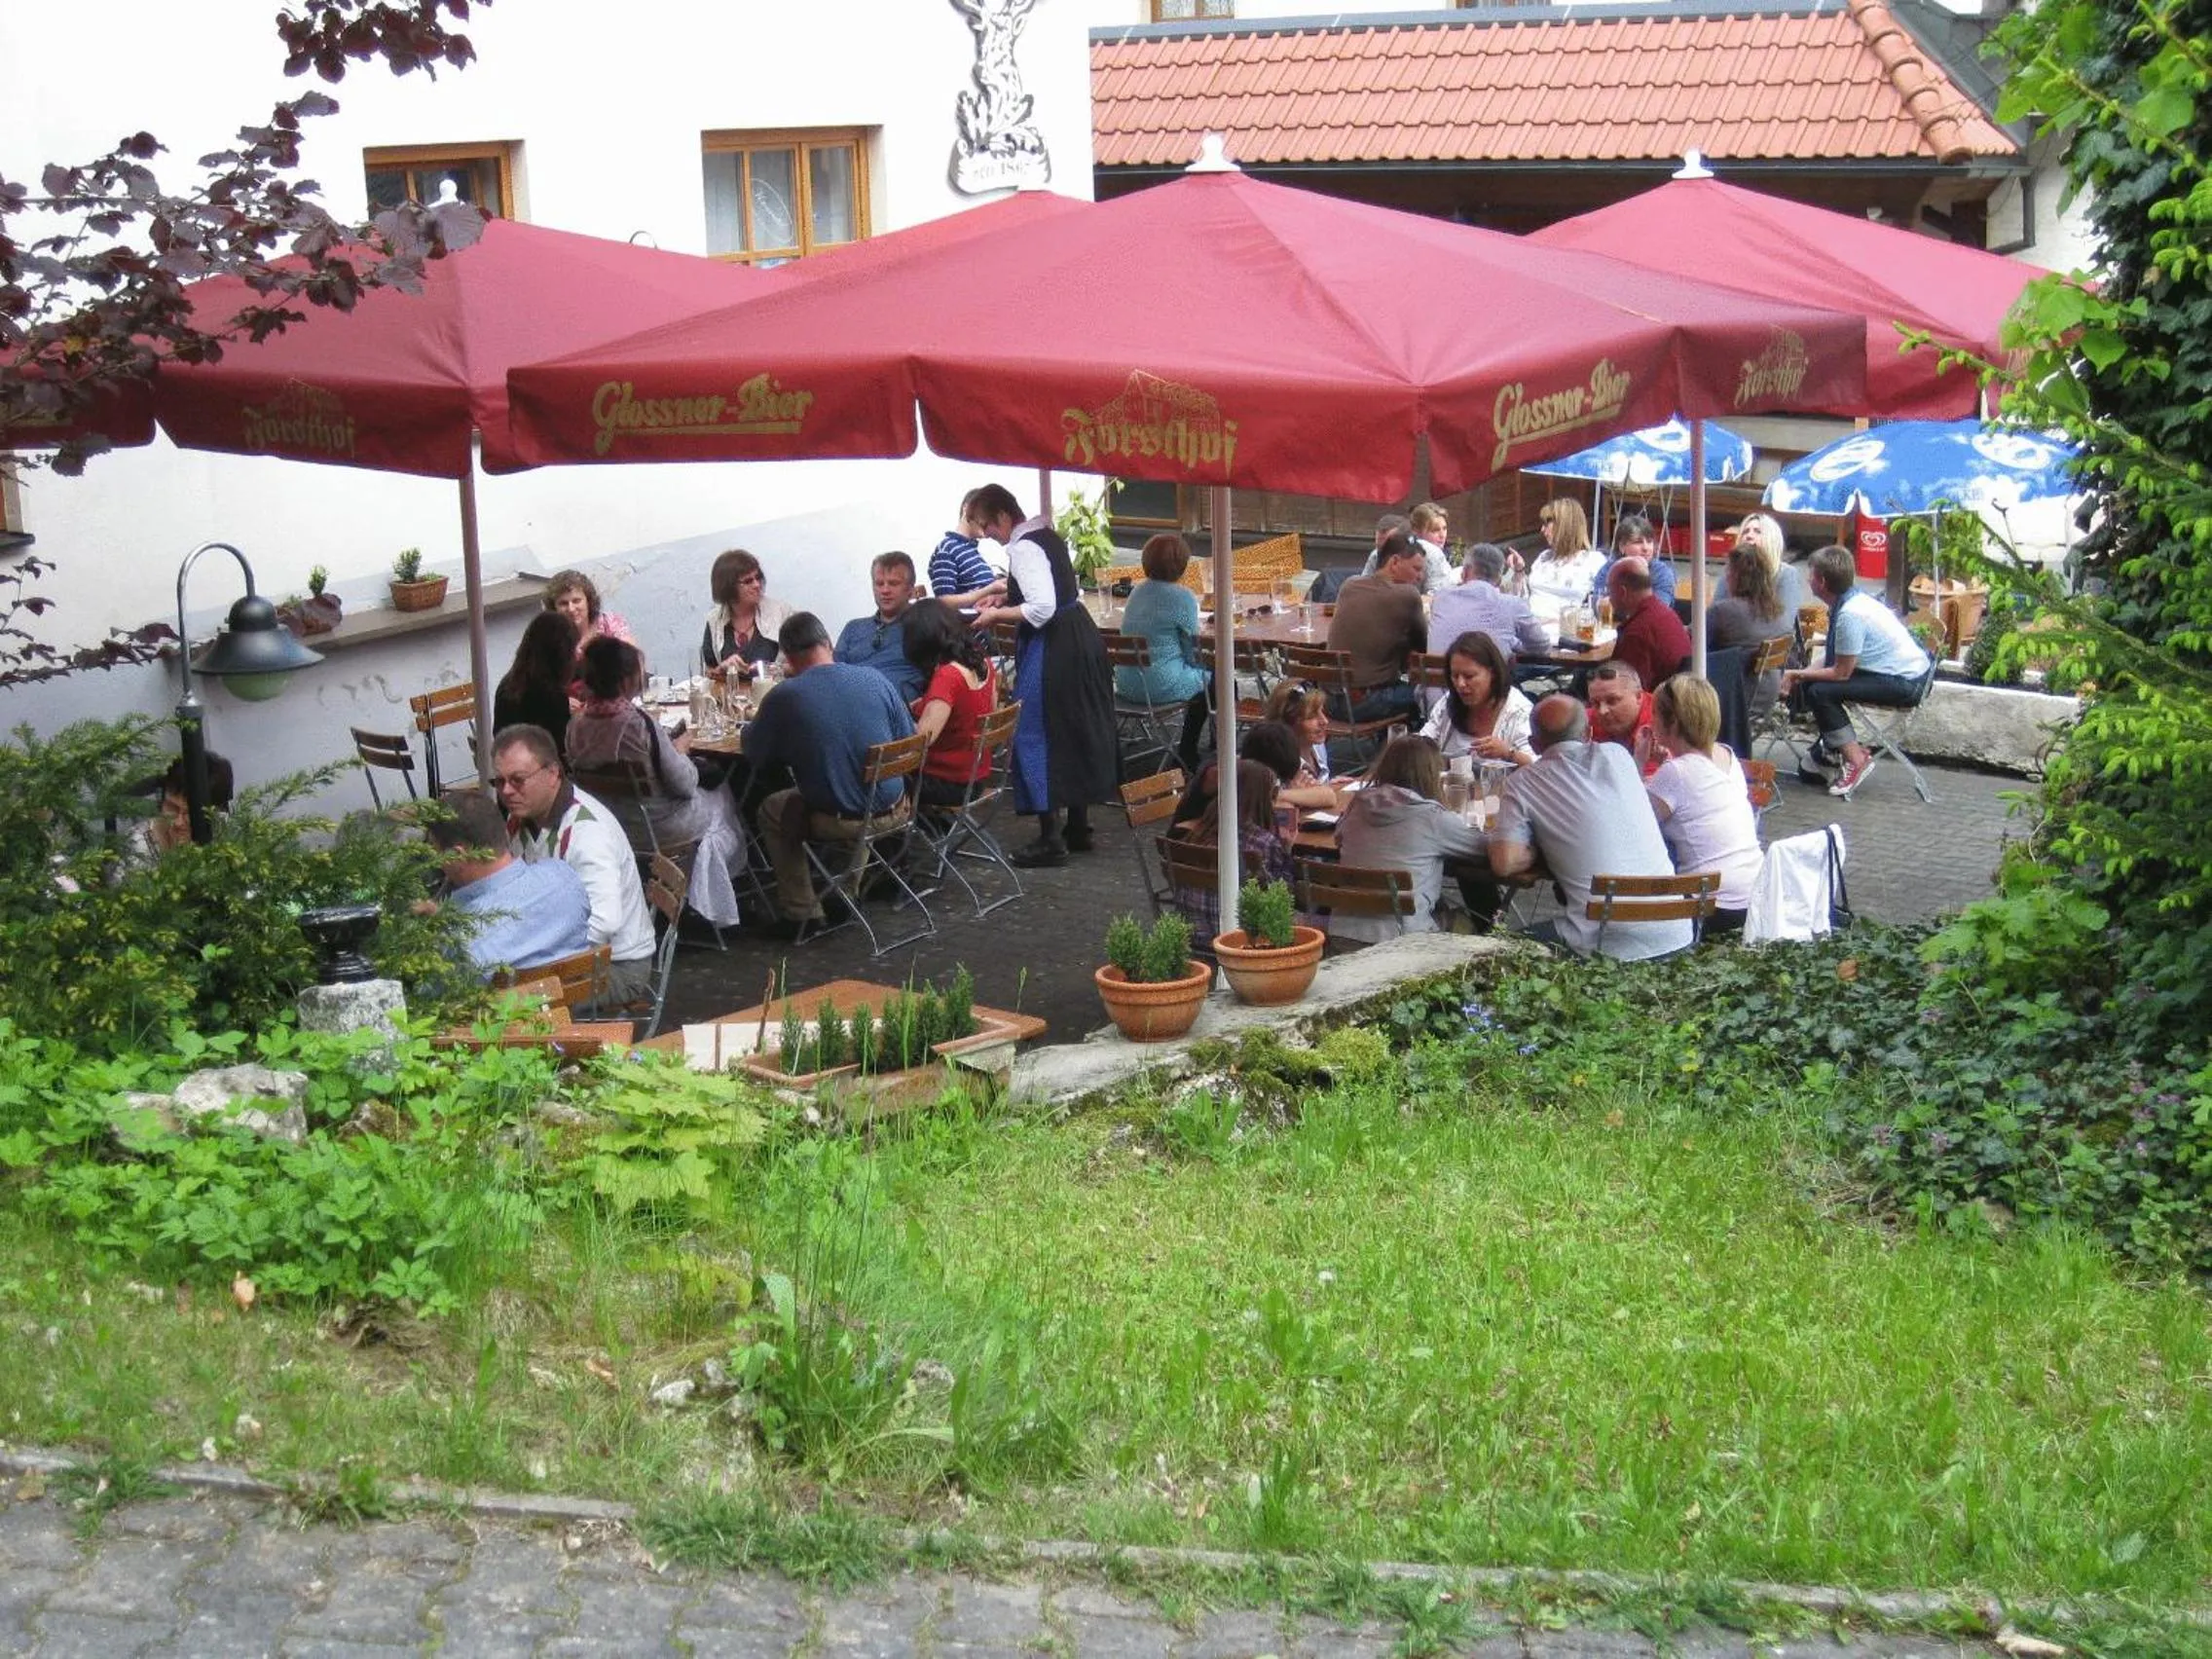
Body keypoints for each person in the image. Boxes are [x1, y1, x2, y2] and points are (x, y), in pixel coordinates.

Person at [968, 482, 1119, 867]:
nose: (987, 535)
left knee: (1035, 732)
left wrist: (996, 615)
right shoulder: (1045, 535)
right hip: (1078, 636)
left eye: (988, 526)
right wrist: (1006, 597)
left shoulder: (1022, 547)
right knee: (1074, 726)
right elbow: (1047, 589)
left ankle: (1051, 837)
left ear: (1004, 516)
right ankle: (1079, 826)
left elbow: (1041, 608)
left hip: (1052, 646)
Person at [741, 611, 916, 927]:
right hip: (896, 806)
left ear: (789, 659)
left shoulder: (786, 696)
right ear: (828, 643)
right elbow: (908, 738)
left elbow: (755, 753)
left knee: (773, 809)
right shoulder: (875, 678)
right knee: (855, 783)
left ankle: (801, 912)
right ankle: (846, 891)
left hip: (845, 817)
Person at [1490, 696, 1693, 960]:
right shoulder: (1619, 756)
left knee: (1501, 951)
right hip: (1677, 932)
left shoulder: (1522, 782)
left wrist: (1546, 847)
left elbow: (1503, 863)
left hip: (1606, 942)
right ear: (1588, 733)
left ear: (1534, 744)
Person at [493, 723, 657, 1003]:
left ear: (553, 773)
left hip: (616, 968)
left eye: (518, 779)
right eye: (499, 781)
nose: (506, 791)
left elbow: (603, 924)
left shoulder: (588, 833)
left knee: (512, 1006)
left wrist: (535, 959)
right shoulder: (521, 817)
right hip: (566, 957)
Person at [1781, 543, 1933, 796]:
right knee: (1813, 683)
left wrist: (1795, 675)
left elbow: (1840, 673)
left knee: (1820, 692)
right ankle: (1829, 750)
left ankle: (1855, 759)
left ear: (1822, 582)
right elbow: (1835, 661)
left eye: (1811, 575)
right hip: (1905, 672)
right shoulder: (1853, 601)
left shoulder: (1850, 615)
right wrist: (1801, 674)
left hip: (1906, 683)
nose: (1808, 580)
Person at [563, 636, 714, 861]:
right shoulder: (639, 725)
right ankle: (718, 883)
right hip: (660, 829)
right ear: (625, 682)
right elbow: (685, 784)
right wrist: (680, 751)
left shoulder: (576, 726)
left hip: (609, 827)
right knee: (722, 794)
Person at [1334, 734, 1488, 943]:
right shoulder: (1434, 818)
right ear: (1433, 773)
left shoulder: (1357, 805)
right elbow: (1485, 848)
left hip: (1342, 936)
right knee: (1470, 926)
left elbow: (1339, 838)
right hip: (1404, 942)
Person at [424, 788, 592, 977]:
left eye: (436, 852)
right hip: (570, 1004)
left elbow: (426, 997)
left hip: (502, 1006)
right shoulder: (564, 878)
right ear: (503, 830)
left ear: (457, 855)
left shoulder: (457, 943)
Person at [1642, 675, 1762, 936]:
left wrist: (1638, 763)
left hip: (1712, 905)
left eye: (1654, 714)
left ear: (1671, 721)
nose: (1650, 721)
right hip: (1755, 894)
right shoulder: (1727, 754)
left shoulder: (1676, 772)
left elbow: (1635, 827)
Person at [1165, 757, 1299, 944]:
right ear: (1264, 797)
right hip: (1240, 938)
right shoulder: (1264, 843)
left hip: (1192, 934)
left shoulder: (1195, 833)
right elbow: (1284, 896)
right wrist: (1287, 850)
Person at [1115, 532, 1210, 770]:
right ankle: (1190, 749)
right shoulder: (1183, 597)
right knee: (1219, 681)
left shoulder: (1136, 592)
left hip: (1127, 683)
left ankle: (1193, 749)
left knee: (1207, 678)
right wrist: (1205, 667)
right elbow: (1193, 650)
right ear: (1182, 565)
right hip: (1160, 684)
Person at [901, 597, 999, 809]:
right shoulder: (983, 662)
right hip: (976, 774)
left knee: (874, 781)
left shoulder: (947, 677)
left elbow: (921, 741)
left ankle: (886, 839)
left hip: (949, 782)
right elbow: (985, 709)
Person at [1327, 530, 1427, 719]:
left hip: (1328, 701)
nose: (1420, 577)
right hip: (1365, 703)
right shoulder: (1407, 595)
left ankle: (1385, 742)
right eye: (1416, 568)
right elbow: (1424, 647)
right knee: (1432, 697)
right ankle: (1402, 746)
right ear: (1395, 562)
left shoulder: (1349, 585)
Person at [1706, 541, 1794, 722]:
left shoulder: (1723, 611)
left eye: (1728, 570)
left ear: (1737, 576)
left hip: (1732, 698)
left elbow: (1691, 642)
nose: (1726, 576)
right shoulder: (1778, 612)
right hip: (1767, 694)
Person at [1419, 631, 1535, 765]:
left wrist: (1508, 753)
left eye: (1469, 676)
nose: (1460, 684)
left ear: (1492, 673)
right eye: (1455, 676)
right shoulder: (1449, 702)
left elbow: (1538, 767)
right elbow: (1423, 742)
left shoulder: (1519, 711)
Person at [1429, 542, 1548, 662]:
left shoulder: (1440, 597)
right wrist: (1513, 643)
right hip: (1484, 678)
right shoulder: (1511, 604)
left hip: (1434, 678)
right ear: (1499, 580)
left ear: (1464, 572)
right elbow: (1541, 646)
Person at [833, 551, 926, 702]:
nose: (885, 590)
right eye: (879, 583)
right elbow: (833, 675)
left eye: (893, 583)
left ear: (910, 589)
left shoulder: (924, 627)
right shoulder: (853, 628)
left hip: (896, 713)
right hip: (848, 707)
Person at [494, 610, 579, 757]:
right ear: (561, 653)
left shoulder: (509, 683)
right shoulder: (551, 694)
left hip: (511, 765)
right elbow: (562, 749)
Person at [700, 547, 793, 677]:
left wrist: (771, 670)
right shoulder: (714, 620)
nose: (757, 585)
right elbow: (709, 673)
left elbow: (804, 666)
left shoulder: (782, 613)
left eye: (758, 577)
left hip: (774, 694)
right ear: (729, 587)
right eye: (748, 581)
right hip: (731, 695)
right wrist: (722, 669)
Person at [1513, 498, 1607, 623]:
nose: (1542, 530)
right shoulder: (1544, 558)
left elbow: (1600, 607)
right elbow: (1521, 601)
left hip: (1565, 634)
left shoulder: (1593, 561)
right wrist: (1519, 570)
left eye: (1546, 524)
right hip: (1531, 630)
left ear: (1564, 526)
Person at [1604, 557, 1693, 689]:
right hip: (1680, 695)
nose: (1609, 597)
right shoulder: (1665, 613)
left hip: (1658, 704)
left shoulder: (1637, 632)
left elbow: (1625, 690)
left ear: (1622, 592)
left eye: (1610, 590)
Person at [1262, 682, 1351, 809]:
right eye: (1312, 716)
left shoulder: (1317, 747)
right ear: (1287, 723)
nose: (1324, 721)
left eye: (1322, 712)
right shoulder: (1272, 763)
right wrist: (1301, 795)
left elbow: (1323, 793)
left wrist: (1327, 785)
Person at [929, 490, 1007, 613]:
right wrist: (990, 589)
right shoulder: (947, 549)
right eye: (985, 515)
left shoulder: (969, 549)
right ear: (967, 509)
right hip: (966, 630)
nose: (989, 523)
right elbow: (944, 602)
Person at [1729, 513, 1813, 617]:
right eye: (1745, 531)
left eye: (1757, 531)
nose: (1749, 536)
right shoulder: (1731, 572)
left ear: (1771, 539)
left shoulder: (1786, 574)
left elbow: (1786, 621)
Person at [1359, 504, 1456, 593]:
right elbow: (1363, 589)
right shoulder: (1375, 555)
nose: (1442, 535)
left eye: (1444, 528)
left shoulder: (1433, 555)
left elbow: (1437, 597)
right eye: (1381, 548)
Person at [1585, 660, 1659, 775]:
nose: (1602, 711)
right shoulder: (1584, 722)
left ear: (1639, 696)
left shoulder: (1662, 725)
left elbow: (1646, 785)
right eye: (1595, 703)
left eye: (1612, 701)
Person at [1591, 513, 1678, 608]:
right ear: (1622, 547)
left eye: (1649, 542)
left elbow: (1657, 610)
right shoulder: (1609, 569)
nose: (1646, 548)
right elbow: (1598, 605)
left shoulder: (1662, 573)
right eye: (1638, 542)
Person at [544, 570, 633, 657]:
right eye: (563, 603)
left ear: (589, 601)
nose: (571, 609)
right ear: (554, 607)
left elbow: (633, 660)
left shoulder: (610, 624)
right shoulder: (552, 640)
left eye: (576, 601)